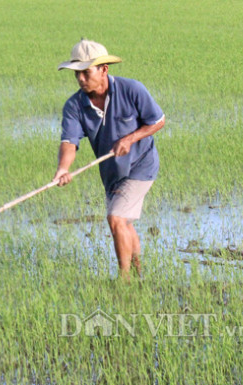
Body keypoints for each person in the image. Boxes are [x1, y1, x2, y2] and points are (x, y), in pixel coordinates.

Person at [53, 38, 165, 280]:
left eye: (86, 73)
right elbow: (70, 142)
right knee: (124, 223)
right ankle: (139, 276)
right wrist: (63, 168)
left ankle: (124, 281)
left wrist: (131, 138)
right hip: (112, 173)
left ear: (103, 69)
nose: (81, 80)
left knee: (116, 218)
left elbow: (157, 121)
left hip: (141, 165)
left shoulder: (132, 89)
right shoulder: (74, 106)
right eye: (76, 74)